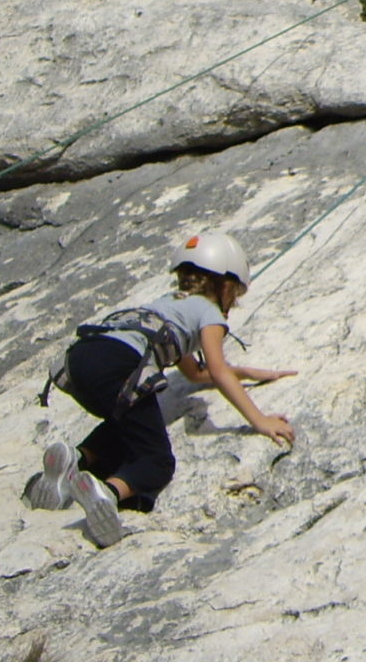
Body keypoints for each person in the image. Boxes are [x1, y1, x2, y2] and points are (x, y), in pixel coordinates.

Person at [26, 231, 295, 546]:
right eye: (234, 295)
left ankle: (76, 458)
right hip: (119, 363)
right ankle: (107, 493)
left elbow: (195, 372)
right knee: (156, 460)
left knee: (127, 425)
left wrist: (246, 371)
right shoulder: (209, 313)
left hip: (81, 358)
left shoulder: (167, 305)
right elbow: (218, 371)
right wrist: (260, 420)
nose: (231, 305)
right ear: (223, 285)